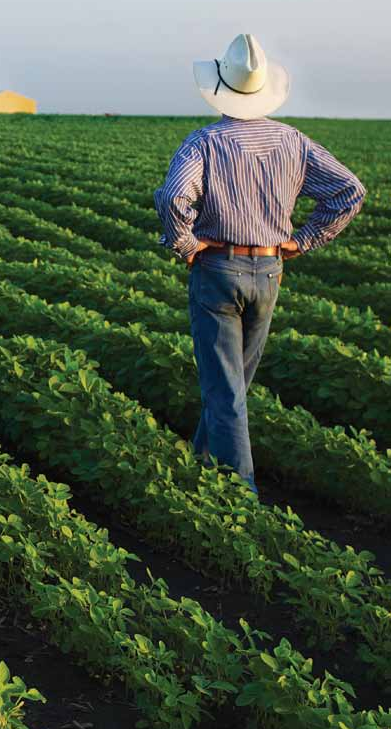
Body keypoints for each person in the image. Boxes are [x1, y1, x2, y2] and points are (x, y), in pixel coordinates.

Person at [154, 33, 365, 493]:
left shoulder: (204, 143)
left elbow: (173, 197)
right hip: (269, 272)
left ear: (220, 89)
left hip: (218, 270)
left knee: (225, 386)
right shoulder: (293, 141)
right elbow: (351, 191)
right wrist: (304, 241)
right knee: (234, 384)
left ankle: (240, 493)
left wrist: (187, 246)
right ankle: (202, 462)